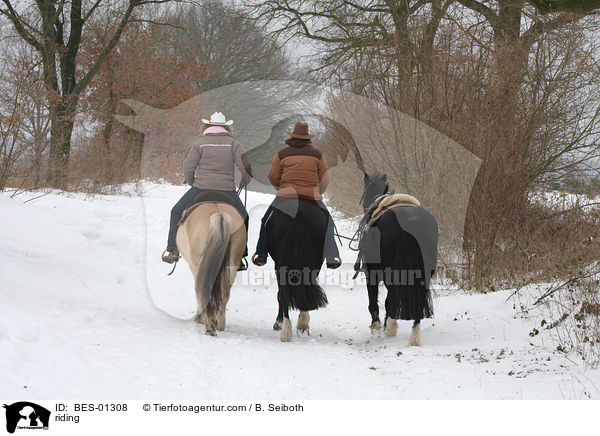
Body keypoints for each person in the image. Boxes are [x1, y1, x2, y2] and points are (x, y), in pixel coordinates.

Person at [162, 112, 252, 270]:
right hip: (226, 191)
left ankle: (173, 250)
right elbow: (245, 166)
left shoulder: (199, 143)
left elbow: (188, 166)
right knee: (244, 217)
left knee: (175, 212)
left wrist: (192, 182)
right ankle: (241, 255)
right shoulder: (234, 143)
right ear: (226, 127)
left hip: (201, 188)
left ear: (207, 126)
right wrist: (246, 179)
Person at [252, 122, 341, 269]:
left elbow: (273, 176)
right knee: (328, 221)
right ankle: (332, 255)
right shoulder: (317, 154)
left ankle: (261, 253)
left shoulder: (282, 154)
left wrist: (280, 188)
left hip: (286, 195)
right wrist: (319, 192)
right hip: (311, 196)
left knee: (266, 221)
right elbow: (325, 178)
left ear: (293, 137)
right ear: (308, 139)